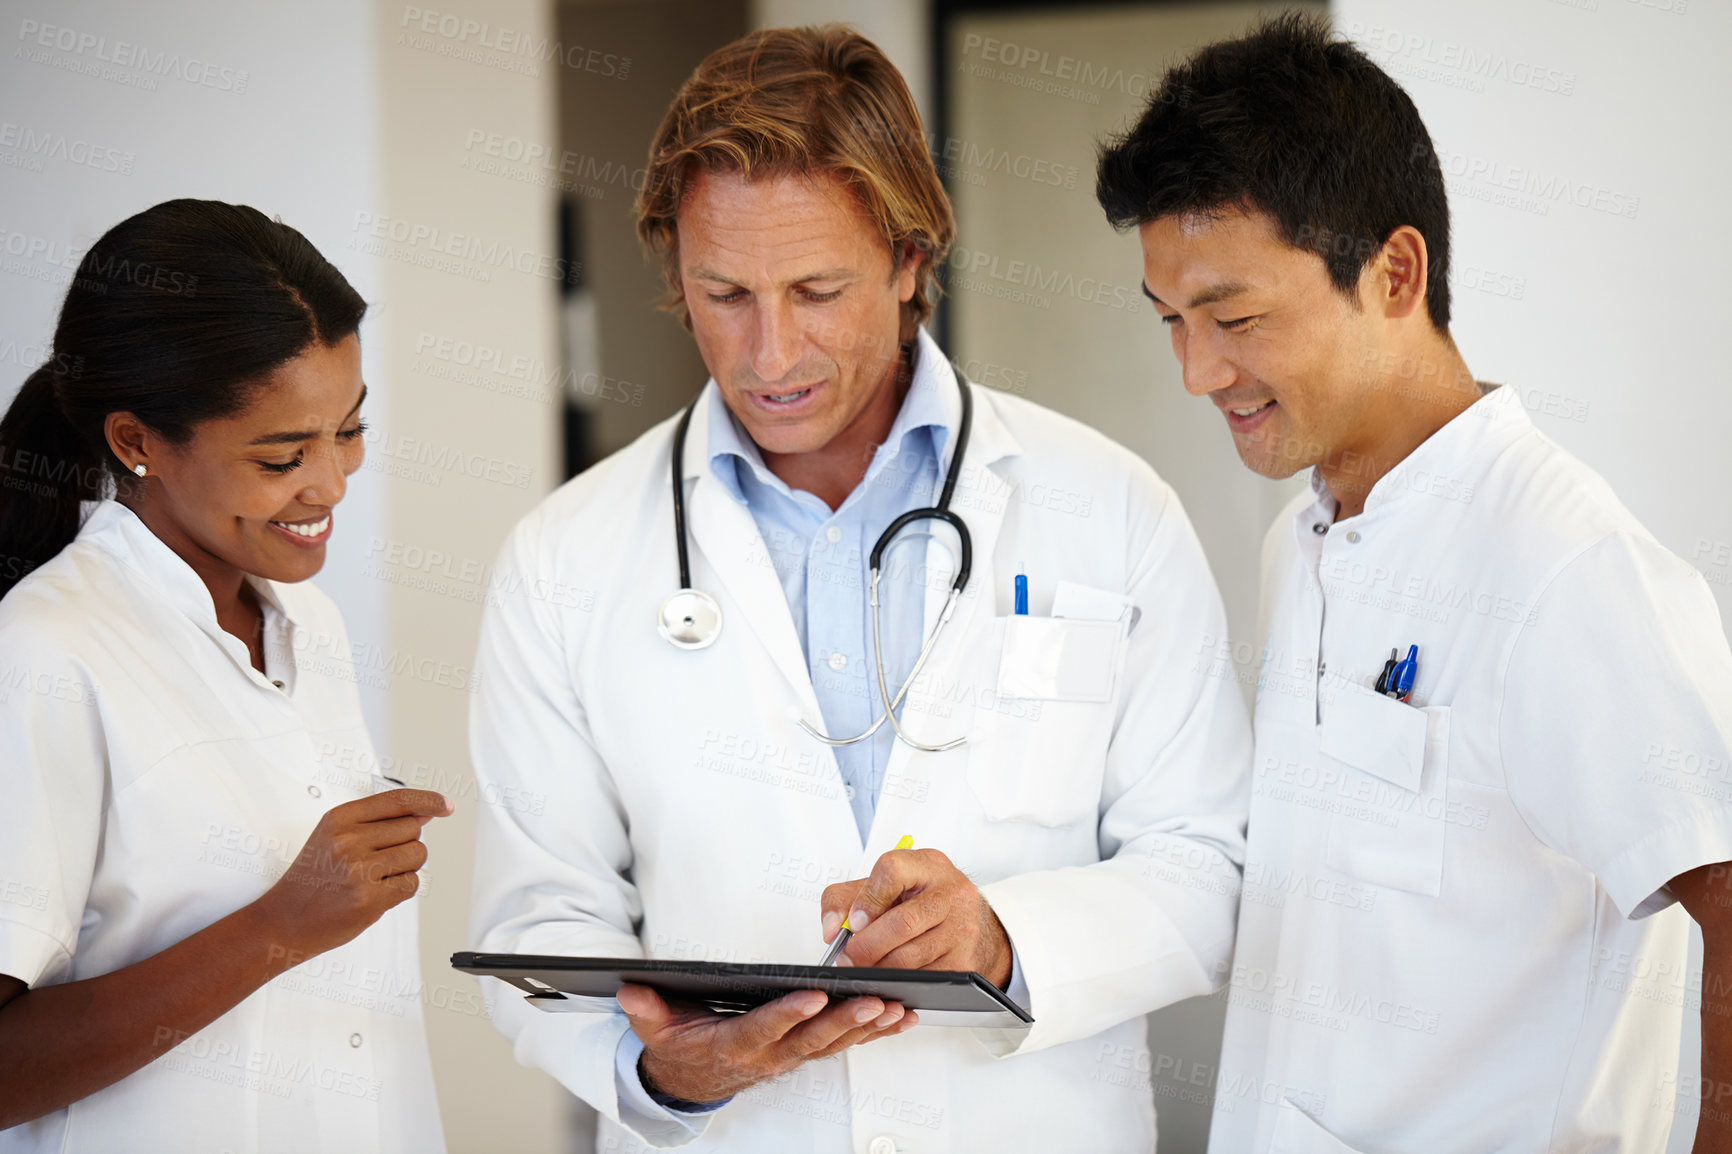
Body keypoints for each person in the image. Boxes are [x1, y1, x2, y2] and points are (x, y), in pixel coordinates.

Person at [467, 24, 1250, 1154]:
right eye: (723, 291)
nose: (768, 350)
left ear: (908, 258)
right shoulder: (563, 558)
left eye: (817, 288)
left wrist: (1000, 939)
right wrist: (657, 1070)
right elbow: (537, 917)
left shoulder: (1110, 509)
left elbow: (1204, 866)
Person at [1097, 12, 1732, 1152]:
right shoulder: (1301, 540)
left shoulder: (1567, 569)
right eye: (1173, 324)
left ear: (1394, 270)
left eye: (1234, 317)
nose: (1199, 372)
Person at [0, 200, 450, 1154]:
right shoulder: (45, 650)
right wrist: (280, 928)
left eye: (349, 432)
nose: (330, 485)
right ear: (137, 443)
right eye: (283, 455)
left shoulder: (307, 628)